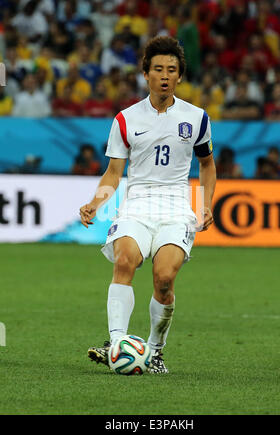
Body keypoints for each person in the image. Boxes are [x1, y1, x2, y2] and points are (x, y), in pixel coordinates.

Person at [79, 36, 216, 374]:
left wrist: (207, 202)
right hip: (137, 204)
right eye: (158, 69)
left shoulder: (196, 118)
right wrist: (95, 202)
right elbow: (114, 173)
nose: (165, 75)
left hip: (174, 208)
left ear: (180, 76)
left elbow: (208, 165)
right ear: (146, 74)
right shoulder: (125, 119)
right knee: (125, 260)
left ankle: (155, 351)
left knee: (164, 278)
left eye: (172, 69)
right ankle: (117, 343)